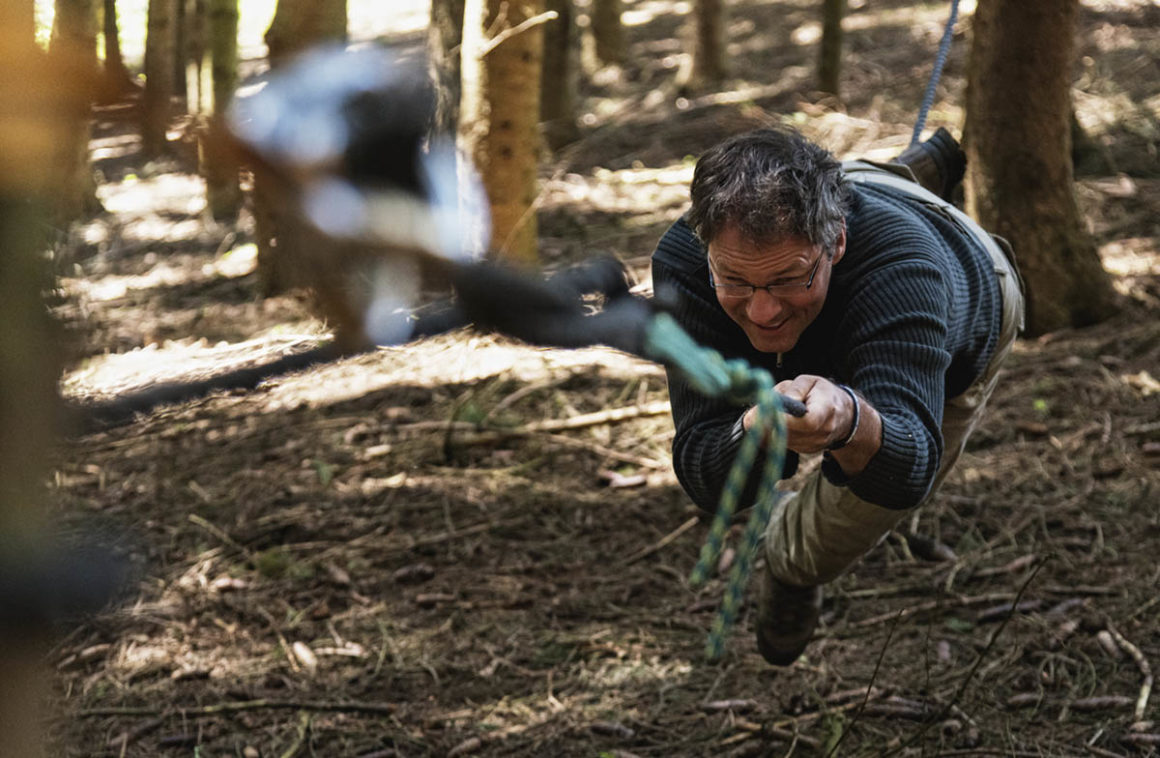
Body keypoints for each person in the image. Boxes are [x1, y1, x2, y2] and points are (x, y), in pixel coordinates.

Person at [651, 126, 1025, 666]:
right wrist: (753, 430)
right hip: (848, 196)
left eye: (788, 280)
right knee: (826, 194)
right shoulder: (687, 262)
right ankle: (892, 178)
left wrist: (850, 421)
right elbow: (705, 472)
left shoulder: (904, 269)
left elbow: (910, 465)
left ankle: (789, 565)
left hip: (966, 275)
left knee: (836, 528)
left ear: (837, 244)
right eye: (734, 280)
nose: (762, 311)